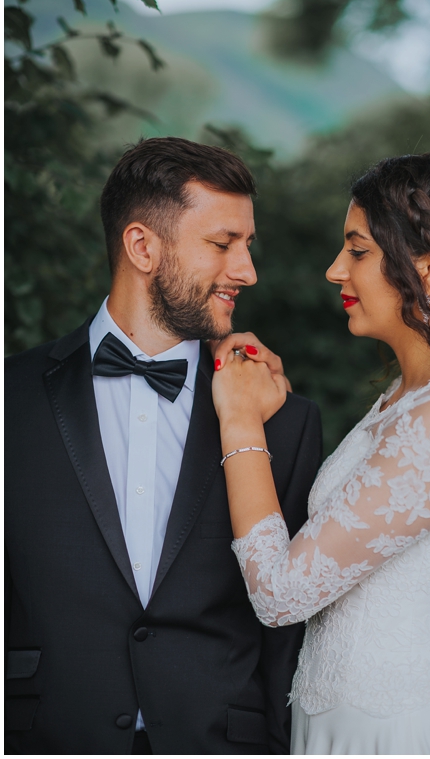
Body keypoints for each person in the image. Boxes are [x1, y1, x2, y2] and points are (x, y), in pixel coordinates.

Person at [5, 138, 322, 753]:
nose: (247, 271)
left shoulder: (285, 418)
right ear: (142, 246)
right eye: (221, 244)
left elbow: (290, 640)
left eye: (247, 246)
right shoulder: (8, 397)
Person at [209, 152, 430, 754]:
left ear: (428, 269)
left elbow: (280, 594)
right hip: (354, 726)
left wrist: (240, 421)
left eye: (357, 251)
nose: (335, 271)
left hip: (407, 733)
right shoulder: (411, 398)